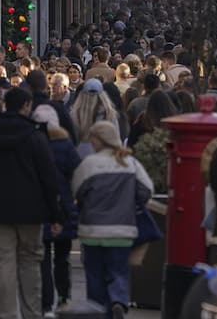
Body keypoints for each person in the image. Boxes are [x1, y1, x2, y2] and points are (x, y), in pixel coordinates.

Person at [0, 87, 62, 319]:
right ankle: (32, 313)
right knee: (30, 262)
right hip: (31, 211)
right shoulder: (35, 135)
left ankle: (6, 314)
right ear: (27, 105)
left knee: (3, 262)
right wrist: (56, 214)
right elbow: (48, 177)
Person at [72, 122, 153, 319]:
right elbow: (147, 190)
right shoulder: (129, 162)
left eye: (93, 138)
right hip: (122, 230)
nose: (91, 142)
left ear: (100, 140)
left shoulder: (89, 164)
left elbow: (77, 192)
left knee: (95, 276)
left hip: (93, 231)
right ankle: (118, 300)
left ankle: (97, 310)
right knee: (118, 272)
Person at [40, 111, 81, 314]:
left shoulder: (35, 145)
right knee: (63, 258)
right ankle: (64, 297)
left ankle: (46, 302)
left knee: (43, 259)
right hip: (64, 207)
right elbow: (77, 173)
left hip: (41, 208)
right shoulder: (66, 145)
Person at [72, 79, 121, 157]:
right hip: (105, 157)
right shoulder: (109, 114)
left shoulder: (75, 114)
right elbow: (116, 139)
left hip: (81, 158)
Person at [28, 70, 78, 145]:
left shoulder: (74, 99)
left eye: (55, 85)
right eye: (51, 84)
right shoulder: (46, 100)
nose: (52, 87)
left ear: (64, 87)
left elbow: (72, 133)